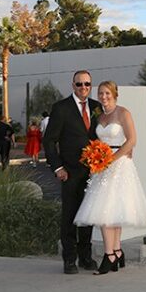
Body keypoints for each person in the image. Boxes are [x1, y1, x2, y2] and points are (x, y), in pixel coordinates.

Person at [74, 81, 146, 275]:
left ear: (115, 94)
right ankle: (116, 251)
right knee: (109, 211)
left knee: (108, 212)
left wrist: (111, 159)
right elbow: (95, 140)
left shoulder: (123, 113)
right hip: (101, 166)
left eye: (107, 93)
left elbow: (132, 140)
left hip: (119, 166)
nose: (103, 96)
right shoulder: (98, 116)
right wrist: (96, 157)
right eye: (101, 93)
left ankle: (109, 255)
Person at [43, 70, 100, 274]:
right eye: (79, 84)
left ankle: (86, 257)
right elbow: (49, 141)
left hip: (93, 172)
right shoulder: (61, 108)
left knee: (88, 216)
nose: (83, 87)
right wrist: (58, 168)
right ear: (73, 85)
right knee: (69, 216)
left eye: (87, 84)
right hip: (70, 172)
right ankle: (69, 259)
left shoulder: (96, 107)